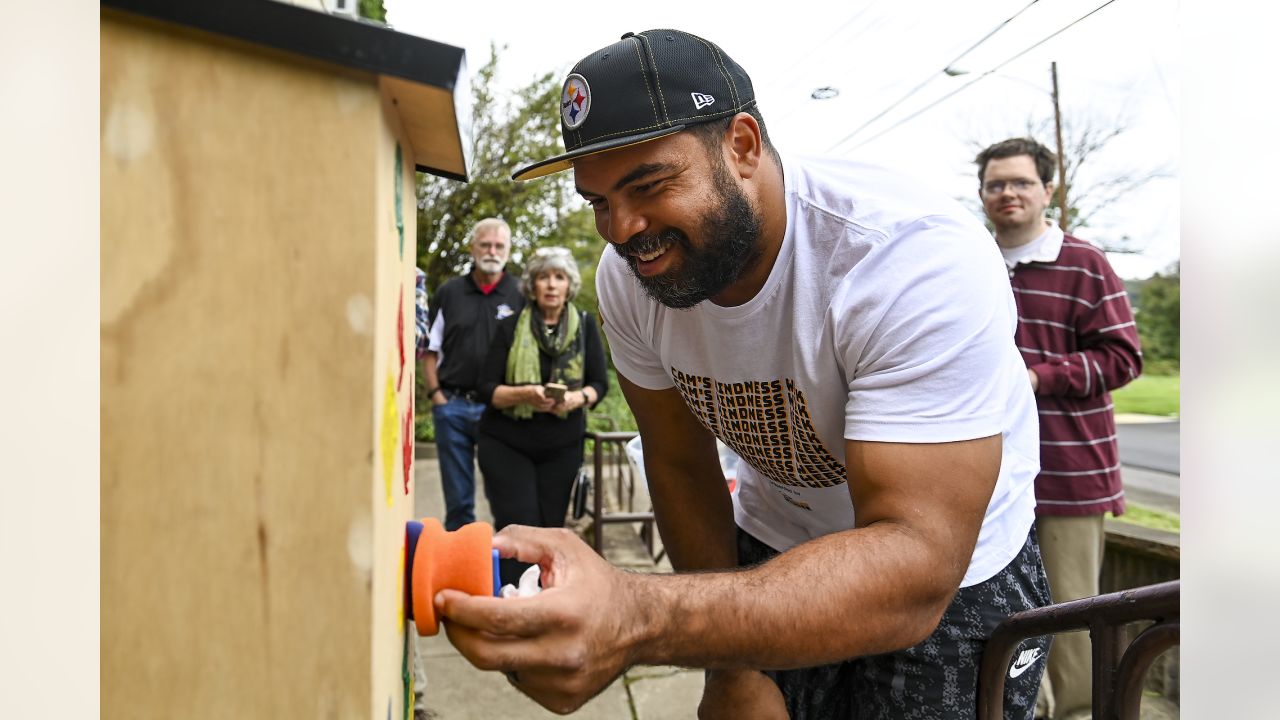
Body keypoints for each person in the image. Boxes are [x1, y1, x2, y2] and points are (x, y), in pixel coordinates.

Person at [434, 30, 1051, 719]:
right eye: (598, 201)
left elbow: (916, 564)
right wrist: (728, 668)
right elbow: (677, 462)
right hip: (770, 542)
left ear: (743, 145)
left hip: (956, 576)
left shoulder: (906, 259)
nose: (623, 228)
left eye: (649, 184)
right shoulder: (628, 277)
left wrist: (640, 618)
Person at [976, 137, 1143, 719]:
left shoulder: (1085, 263)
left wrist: (1039, 376)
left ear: (1048, 190)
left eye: (1020, 182)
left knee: (1074, 611)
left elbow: (1123, 358)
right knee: (999, 610)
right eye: (996, 184)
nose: (1007, 194)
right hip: (986, 473)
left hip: (1070, 472)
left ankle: (1077, 713)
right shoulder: (972, 261)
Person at [475, 246, 608, 584]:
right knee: (518, 528)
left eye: (559, 277)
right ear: (532, 285)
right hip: (507, 443)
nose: (551, 284)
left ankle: (542, 604)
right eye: (544, 277)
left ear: (569, 286)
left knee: (549, 531)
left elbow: (599, 384)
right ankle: (508, 603)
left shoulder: (585, 327)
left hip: (561, 446)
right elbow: (486, 389)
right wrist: (525, 394)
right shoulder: (509, 327)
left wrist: (576, 398)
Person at [422, 218, 524, 531]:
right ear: (473, 248)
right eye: (485, 244)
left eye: (499, 246)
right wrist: (436, 396)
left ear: (508, 250)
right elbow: (429, 349)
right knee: (459, 504)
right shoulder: (449, 292)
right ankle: (461, 573)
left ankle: (506, 573)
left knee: (506, 497)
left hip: (500, 409)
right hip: (452, 406)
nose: (492, 251)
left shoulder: (520, 293)